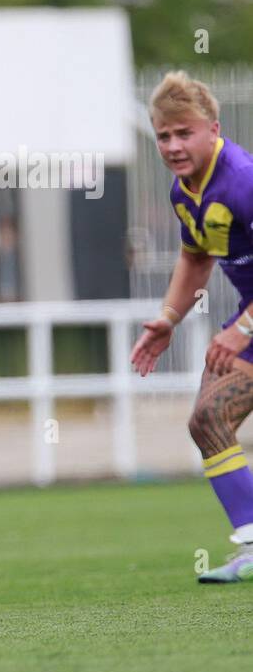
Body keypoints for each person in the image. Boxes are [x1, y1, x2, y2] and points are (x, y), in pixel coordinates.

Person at [131, 70, 253, 583]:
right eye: (164, 136)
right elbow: (196, 255)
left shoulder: (242, 179)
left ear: (213, 128)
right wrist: (168, 318)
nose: (174, 145)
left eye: (185, 133)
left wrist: (242, 330)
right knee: (208, 419)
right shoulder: (185, 189)